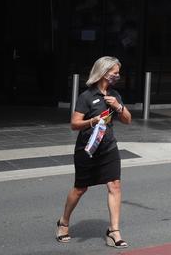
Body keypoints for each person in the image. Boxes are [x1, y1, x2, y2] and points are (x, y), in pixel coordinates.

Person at [58, 56, 132, 248]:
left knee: (114, 185)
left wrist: (118, 106)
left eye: (118, 73)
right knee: (80, 188)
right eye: (115, 72)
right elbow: (74, 124)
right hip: (88, 149)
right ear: (104, 73)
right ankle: (64, 221)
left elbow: (127, 120)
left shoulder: (114, 95)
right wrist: (94, 120)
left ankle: (114, 231)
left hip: (109, 147)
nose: (118, 76)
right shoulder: (86, 97)